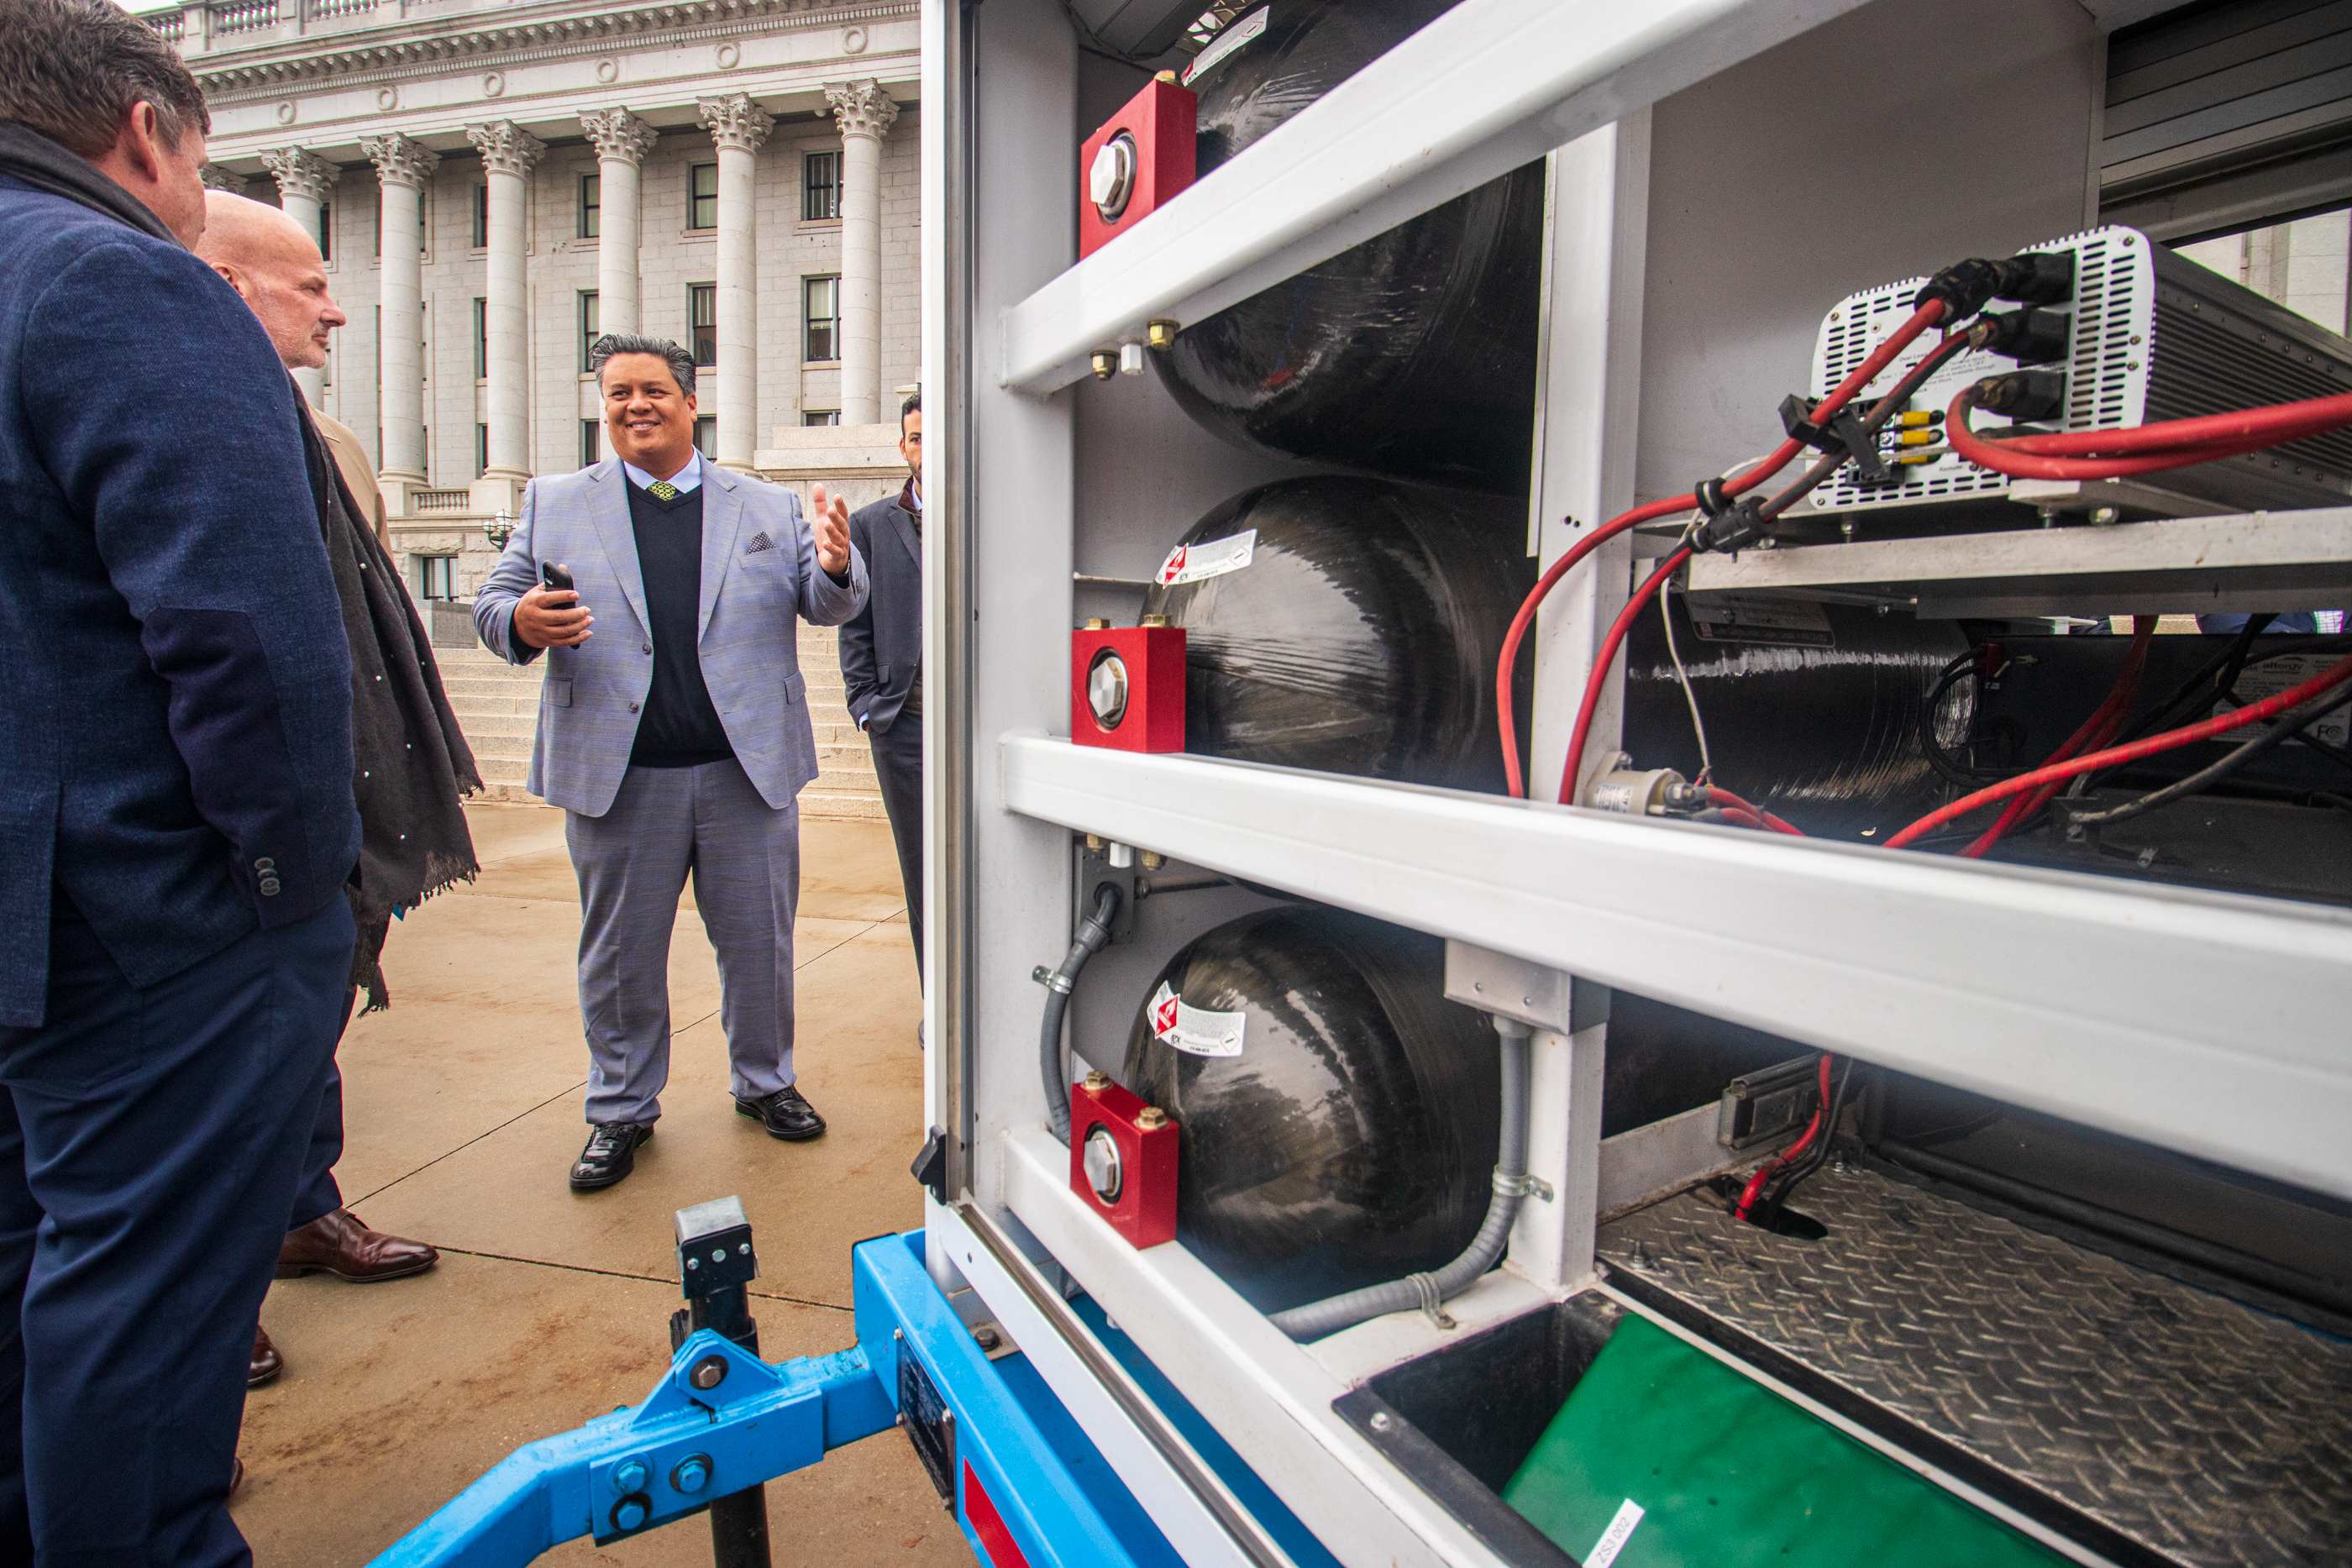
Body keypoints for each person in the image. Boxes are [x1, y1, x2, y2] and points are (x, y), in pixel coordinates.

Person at [0, 2, 362, 1560]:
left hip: (31, 904)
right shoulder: (116, 281)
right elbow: (252, 643)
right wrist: (292, 892)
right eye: (200, 163)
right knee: (142, 1316)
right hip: (151, 927)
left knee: (43, 1276)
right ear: (146, 131)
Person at [473, 333, 868, 1190]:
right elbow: (494, 601)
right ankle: (619, 1109)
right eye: (617, 393)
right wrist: (520, 624)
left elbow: (827, 601)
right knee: (619, 957)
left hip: (743, 775)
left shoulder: (762, 507)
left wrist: (838, 562)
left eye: (652, 390)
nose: (634, 406)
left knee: (759, 946)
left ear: (691, 402)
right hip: (619, 782)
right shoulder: (553, 502)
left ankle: (766, 1083)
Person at [196, 191, 472, 1388]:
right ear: (222, 285)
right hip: (239, 827)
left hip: (342, 797)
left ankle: (304, 1211)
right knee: (218, 1072)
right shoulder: (178, 410)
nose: (339, 307)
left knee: (309, 1035)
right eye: (309, 285)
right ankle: (210, 1292)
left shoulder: (324, 433)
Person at [839, 392, 926, 982]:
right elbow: (855, 623)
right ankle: (940, 1003)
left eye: (935, 434)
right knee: (921, 872)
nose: (926, 447)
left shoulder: (986, 510)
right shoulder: (871, 526)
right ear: (903, 448)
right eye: (916, 437)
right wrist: (866, 707)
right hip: (905, 727)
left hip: (977, 719)